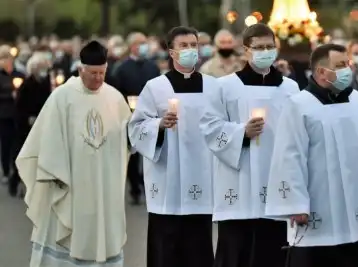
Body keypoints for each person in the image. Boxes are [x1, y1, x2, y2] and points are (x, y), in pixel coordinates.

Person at [265, 44, 358, 267]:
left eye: (347, 63)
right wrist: (295, 203)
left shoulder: (357, 101)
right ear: (321, 72)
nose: (348, 69)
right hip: (320, 206)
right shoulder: (299, 105)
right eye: (340, 65)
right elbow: (289, 157)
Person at [16, 40, 132, 267]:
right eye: (93, 73)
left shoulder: (115, 98)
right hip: (70, 181)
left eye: (102, 73)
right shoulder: (62, 97)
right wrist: (56, 171)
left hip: (103, 183)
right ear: (81, 69)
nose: (98, 78)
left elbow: (128, 138)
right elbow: (47, 140)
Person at [199, 23, 300, 267]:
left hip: (278, 183)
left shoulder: (290, 88)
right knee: (237, 254)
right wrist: (241, 132)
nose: (265, 52)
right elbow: (209, 127)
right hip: (239, 183)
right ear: (246, 50)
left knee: (273, 254)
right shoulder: (224, 86)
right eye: (259, 47)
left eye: (269, 47)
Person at [128, 26, 215, 267]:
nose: (190, 50)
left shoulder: (213, 87)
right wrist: (159, 125)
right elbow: (136, 128)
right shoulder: (155, 87)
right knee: (166, 250)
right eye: (184, 46)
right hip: (168, 178)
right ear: (171, 52)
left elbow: (222, 127)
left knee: (199, 248)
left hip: (201, 178)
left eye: (193, 45)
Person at [114, 32, 160, 205]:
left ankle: (148, 185)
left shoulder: (152, 67)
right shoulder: (122, 68)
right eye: (141, 43)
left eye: (145, 42)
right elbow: (117, 91)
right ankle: (134, 187)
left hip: (151, 115)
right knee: (133, 155)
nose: (144, 46)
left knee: (149, 153)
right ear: (132, 46)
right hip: (129, 115)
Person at [9, 53, 53, 197]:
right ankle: (15, 181)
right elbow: (19, 107)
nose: (44, 70)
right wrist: (27, 118)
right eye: (41, 67)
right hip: (26, 126)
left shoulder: (47, 83)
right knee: (23, 155)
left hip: (43, 124)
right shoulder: (26, 84)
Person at [0, 45, 17, 184]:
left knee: (15, 144)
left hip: (16, 114)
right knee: (5, 144)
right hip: (4, 115)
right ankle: (6, 170)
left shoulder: (17, 73)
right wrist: (9, 95)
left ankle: (15, 169)